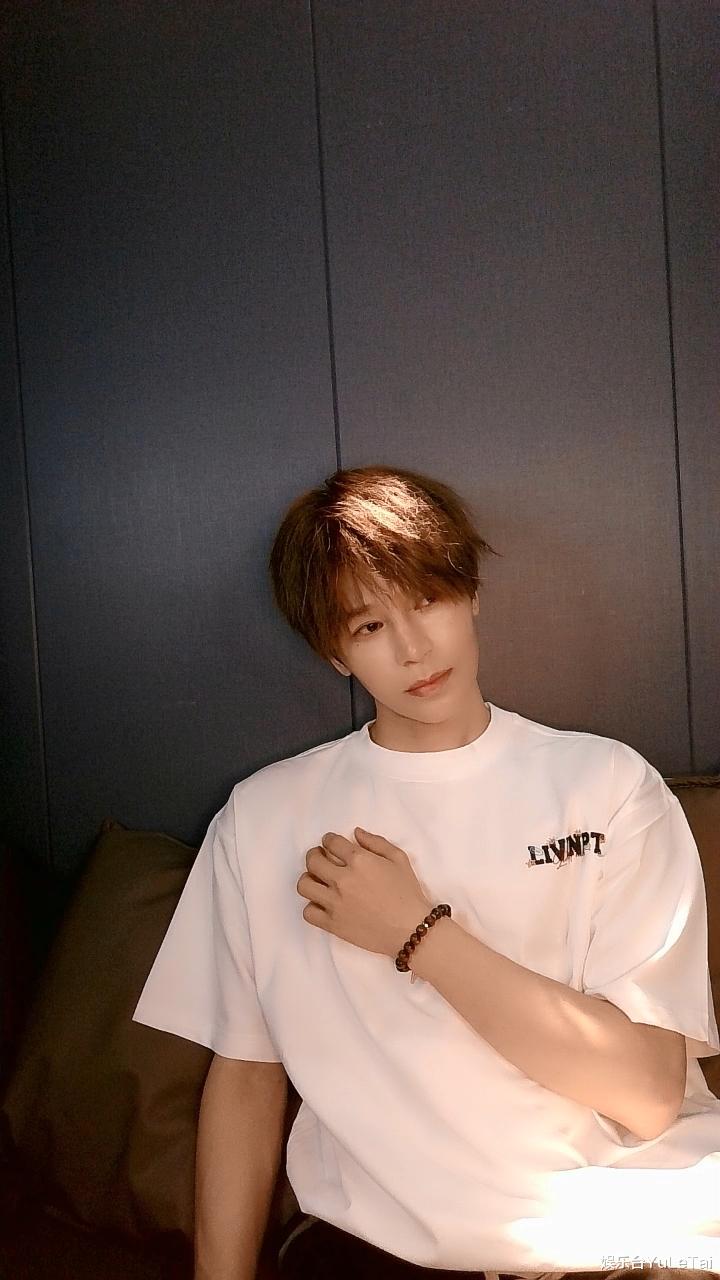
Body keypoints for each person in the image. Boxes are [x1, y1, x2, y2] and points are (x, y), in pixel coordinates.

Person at [132, 465, 720, 1280]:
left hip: (633, 1230)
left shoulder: (609, 784)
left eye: (428, 600)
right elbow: (245, 1077)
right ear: (335, 652)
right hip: (380, 1251)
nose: (414, 649)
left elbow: (648, 1094)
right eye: (370, 625)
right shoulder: (265, 818)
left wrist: (419, 934)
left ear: (469, 593)